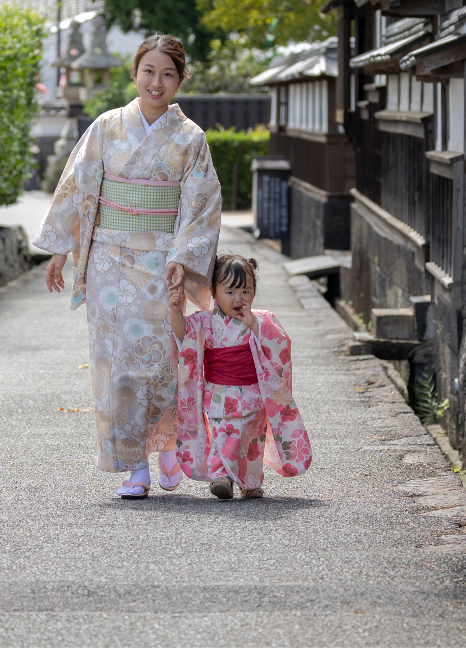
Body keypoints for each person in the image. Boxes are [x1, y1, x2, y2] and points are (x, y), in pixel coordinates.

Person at [36, 34, 222, 500]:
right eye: (148, 71)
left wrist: (182, 258)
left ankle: (168, 448)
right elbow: (78, 188)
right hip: (108, 261)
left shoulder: (190, 139)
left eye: (167, 74)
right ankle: (133, 465)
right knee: (115, 365)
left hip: (164, 262)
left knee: (162, 361)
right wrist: (62, 247)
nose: (156, 82)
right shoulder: (106, 127)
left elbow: (200, 205)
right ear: (134, 72)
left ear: (180, 80)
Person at [169, 254, 312, 500]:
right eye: (231, 292)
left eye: (246, 292)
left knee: (252, 440)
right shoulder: (206, 321)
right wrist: (175, 311)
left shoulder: (261, 319)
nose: (239, 299)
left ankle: (250, 481)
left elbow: (279, 345)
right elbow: (184, 333)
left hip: (254, 393)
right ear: (214, 293)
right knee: (225, 434)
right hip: (220, 393)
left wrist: (255, 326)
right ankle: (221, 476)